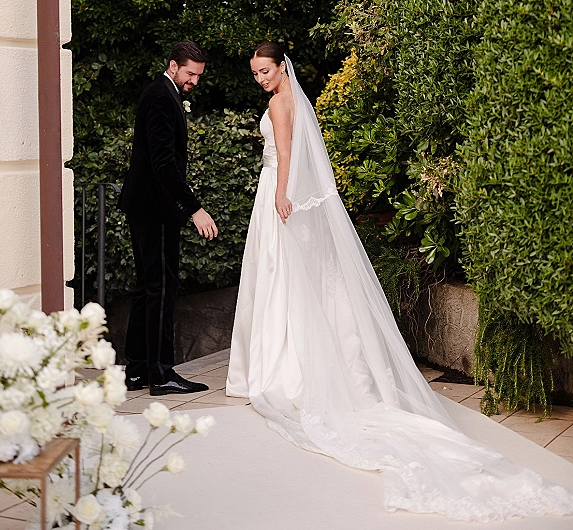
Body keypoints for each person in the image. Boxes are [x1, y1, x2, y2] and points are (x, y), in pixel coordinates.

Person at [226, 42, 573, 521]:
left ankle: (278, 367)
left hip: (277, 194)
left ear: (282, 67)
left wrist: (282, 196)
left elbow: (285, 153)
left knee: (279, 279)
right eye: (256, 73)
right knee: (289, 282)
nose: (261, 79)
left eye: (265, 70)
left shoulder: (278, 103)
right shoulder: (292, 99)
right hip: (281, 192)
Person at [119, 40, 218, 397]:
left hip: (144, 206)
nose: (194, 80)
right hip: (156, 210)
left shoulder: (161, 91)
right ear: (173, 66)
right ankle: (161, 375)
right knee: (160, 290)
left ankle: (136, 371)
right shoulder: (162, 96)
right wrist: (194, 208)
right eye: (190, 73)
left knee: (147, 289)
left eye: (198, 75)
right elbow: (163, 162)